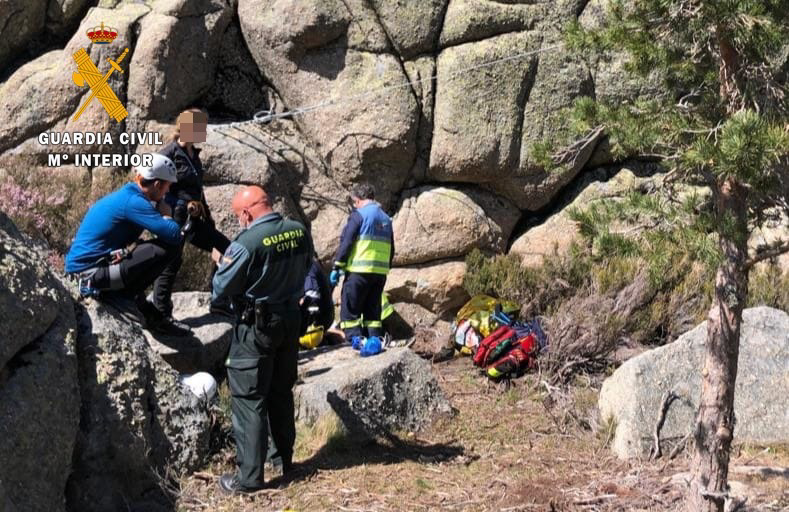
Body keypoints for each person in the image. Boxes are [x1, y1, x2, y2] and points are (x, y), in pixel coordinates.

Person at [212, 185, 312, 494]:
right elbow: (307, 266)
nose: (238, 221)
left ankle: (249, 479)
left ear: (246, 213)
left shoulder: (246, 242)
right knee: (280, 391)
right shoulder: (298, 230)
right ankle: (283, 462)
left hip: (257, 326)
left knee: (248, 398)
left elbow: (222, 286)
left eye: (237, 216)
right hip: (291, 321)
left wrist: (221, 265)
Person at [64, 153, 190, 336]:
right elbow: (174, 235)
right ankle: (124, 296)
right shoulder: (134, 202)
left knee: (152, 247)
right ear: (157, 184)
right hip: (89, 275)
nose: (167, 192)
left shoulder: (129, 195)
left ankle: (134, 301)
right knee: (169, 247)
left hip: (89, 269)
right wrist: (167, 214)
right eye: (167, 187)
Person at [153, 108, 231, 320]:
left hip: (195, 215)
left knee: (227, 248)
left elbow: (197, 188)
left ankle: (220, 302)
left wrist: (206, 213)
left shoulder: (194, 155)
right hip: (176, 214)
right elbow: (153, 184)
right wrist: (165, 210)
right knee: (171, 261)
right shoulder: (169, 153)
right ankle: (161, 313)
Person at [329, 183, 394, 346]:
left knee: (350, 309)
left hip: (359, 271)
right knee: (372, 309)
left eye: (354, 203)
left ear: (357, 200)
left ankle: (354, 340)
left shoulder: (359, 215)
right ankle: (375, 340)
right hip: (379, 273)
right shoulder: (386, 218)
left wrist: (337, 266)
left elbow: (347, 241)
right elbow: (391, 248)